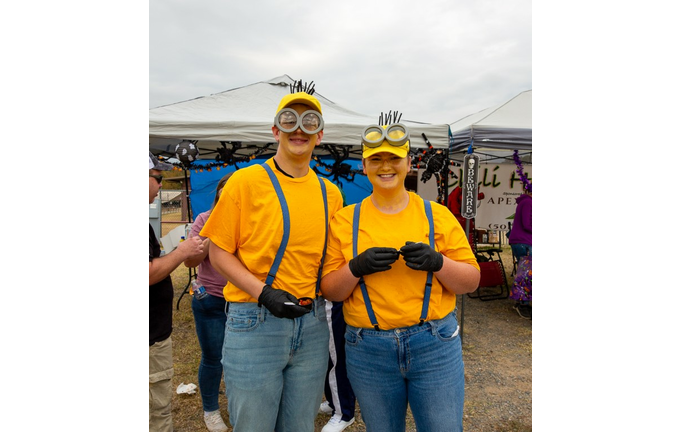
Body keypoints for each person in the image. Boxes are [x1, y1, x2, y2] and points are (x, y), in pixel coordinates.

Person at [320, 118, 481, 432]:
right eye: (376, 159)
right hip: (368, 350)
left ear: (409, 163)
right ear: (364, 166)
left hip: (434, 344)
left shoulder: (437, 215)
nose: (386, 166)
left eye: (394, 157)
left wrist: (439, 263)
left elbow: (471, 280)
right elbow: (331, 291)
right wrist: (354, 268)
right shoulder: (345, 220)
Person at [200, 86, 344, 431]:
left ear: (319, 134)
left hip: (311, 325)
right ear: (275, 130)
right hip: (254, 322)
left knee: (299, 426)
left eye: (309, 122)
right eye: (289, 120)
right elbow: (219, 251)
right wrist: (263, 292)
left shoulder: (331, 193)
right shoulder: (245, 182)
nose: (299, 129)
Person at [149, 151, 205, 432]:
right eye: (157, 178)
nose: (161, 185)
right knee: (156, 410)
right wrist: (181, 251)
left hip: (154, 332)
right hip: (149, 339)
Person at [183, 173, 234, 432]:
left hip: (242, 302)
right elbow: (190, 262)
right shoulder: (204, 219)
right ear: (217, 195)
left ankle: (238, 406)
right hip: (211, 300)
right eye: (223, 192)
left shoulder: (248, 221)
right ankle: (211, 410)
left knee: (239, 359)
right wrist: (214, 230)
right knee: (213, 357)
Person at [508, 186, 532, 319]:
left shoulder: (526, 202)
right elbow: (527, 224)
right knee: (526, 273)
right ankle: (522, 304)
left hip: (524, 241)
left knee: (526, 272)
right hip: (524, 242)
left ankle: (522, 302)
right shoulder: (528, 202)